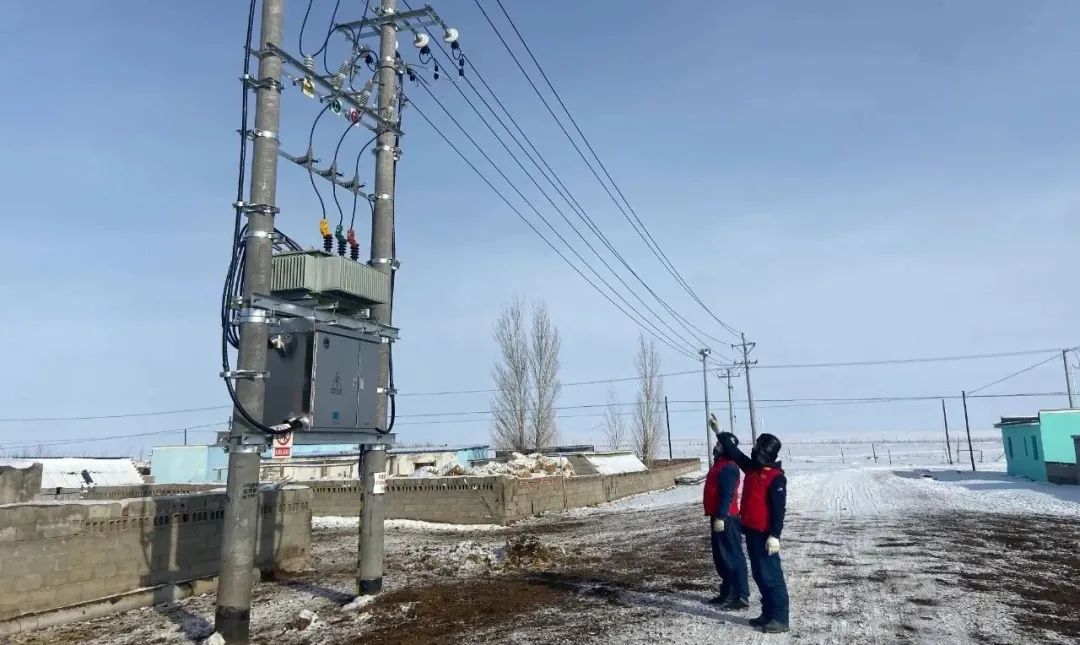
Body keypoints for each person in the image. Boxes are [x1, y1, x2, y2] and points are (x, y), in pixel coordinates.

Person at [714, 423, 790, 634]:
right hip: (752, 532)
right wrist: (720, 433)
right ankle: (768, 613)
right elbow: (735, 453)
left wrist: (775, 535)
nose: (754, 452)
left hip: (766, 535)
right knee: (760, 575)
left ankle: (780, 617)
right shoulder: (752, 469)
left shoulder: (776, 478)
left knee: (772, 576)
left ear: (768, 454)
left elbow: (778, 511)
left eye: (758, 449)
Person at [702, 430, 750, 610]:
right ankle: (728, 592)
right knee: (721, 558)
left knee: (733, 556)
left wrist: (721, 516)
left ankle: (741, 595)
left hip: (727, 518)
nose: (716, 447)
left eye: (720, 445)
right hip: (718, 515)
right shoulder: (719, 465)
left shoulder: (729, 467)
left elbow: (727, 495)